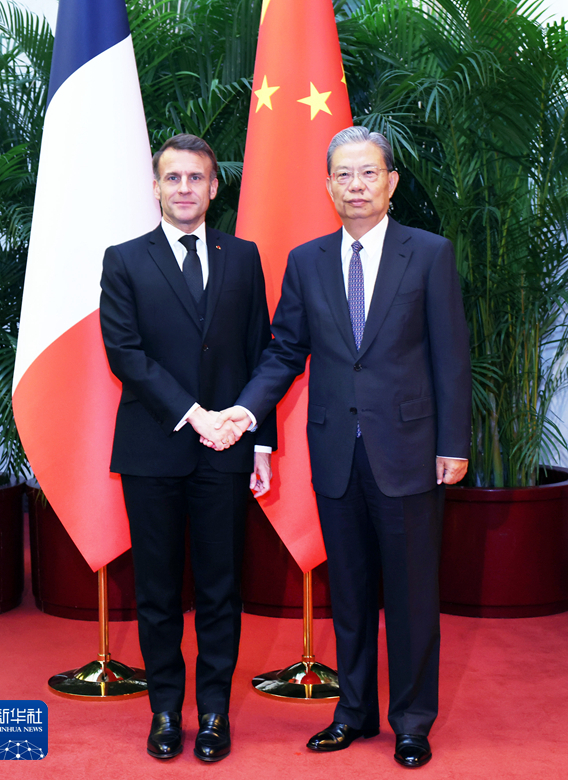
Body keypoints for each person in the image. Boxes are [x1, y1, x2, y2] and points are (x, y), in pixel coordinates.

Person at [213, 127, 471, 768]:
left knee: (411, 596)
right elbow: (284, 352)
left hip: (410, 451)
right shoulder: (306, 261)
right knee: (350, 594)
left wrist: (453, 442)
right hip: (335, 452)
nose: (357, 186)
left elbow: (451, 356)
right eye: (344, 176)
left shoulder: (429, 253)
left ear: (391, 182)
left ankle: (411, 721)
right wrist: (246, 409)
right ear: (328, 186)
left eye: (368, 173)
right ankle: (352, 712)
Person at [99, 133, 276, 763]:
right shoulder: (124, 260)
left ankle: (215, 713)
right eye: (173, 178)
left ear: (213, 187)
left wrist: (260, 443)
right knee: (157, 591)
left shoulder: (243, 256)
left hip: (227, 448)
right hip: (153, 448)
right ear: (155, 187)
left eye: (196, 178)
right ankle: (166, 712)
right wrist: (193, 413)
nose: (184, 188)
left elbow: (261, 351)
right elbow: (125, 354)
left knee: (221, 589)